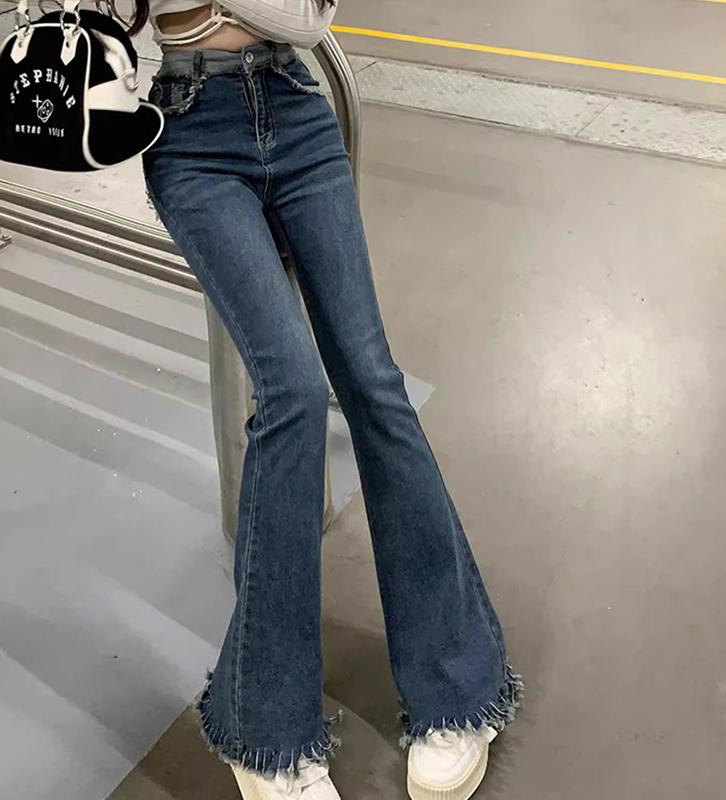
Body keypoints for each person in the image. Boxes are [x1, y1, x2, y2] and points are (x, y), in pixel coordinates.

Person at [131, 1, 523, 798]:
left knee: (374, 384)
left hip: (295, 108)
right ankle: (266, 735)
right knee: (293, 391)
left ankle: (458, 686)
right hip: (191, 131)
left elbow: (307, 19)